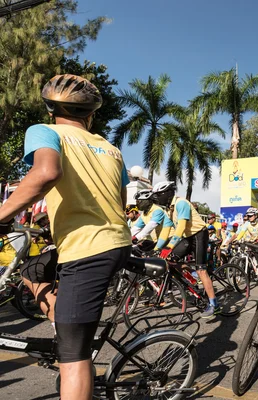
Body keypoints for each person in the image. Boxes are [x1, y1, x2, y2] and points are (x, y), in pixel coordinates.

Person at [0, 74, 131, 400]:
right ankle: (69, 326)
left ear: (50, 110)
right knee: (32, 271)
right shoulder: (110, 149)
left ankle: (74, 347)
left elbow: (45, 173)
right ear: (90, 115)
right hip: (111, 241)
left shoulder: (45, 132)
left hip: (88, 250)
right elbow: (119, 201)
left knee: (73, 356)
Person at [152, 181, 218, 318]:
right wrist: (157, 248)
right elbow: (166, 230)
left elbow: (181, 228)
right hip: (188, 237)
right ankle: (193, 274)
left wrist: (170, 246)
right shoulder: (169, 209)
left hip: (199, 234)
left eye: (158, 195)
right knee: (169, 260)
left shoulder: (181, 203)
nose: (157, 198)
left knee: (202, 269)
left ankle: (213, 304)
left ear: (167, 194)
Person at [232, 207, 258, 277]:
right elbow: (242, 232)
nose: (249, 217)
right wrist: (237, 239)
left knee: (257, 253)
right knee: (248, 252)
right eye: (248, 216)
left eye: (251, 216)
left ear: (256, 215)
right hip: (252, 240)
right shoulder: (247, 223)